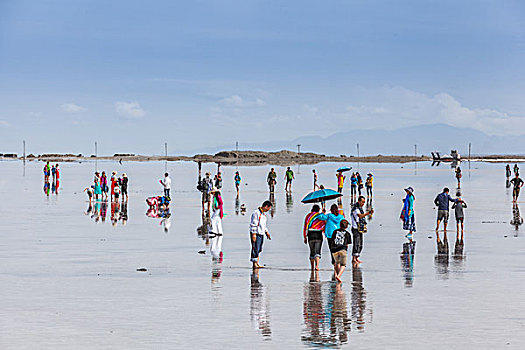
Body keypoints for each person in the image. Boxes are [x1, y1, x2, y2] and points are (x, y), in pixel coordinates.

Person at [351, 196, 374, 265]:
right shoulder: (356, 209)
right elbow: (360, 216)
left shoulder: (360, 208)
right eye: (362, 202)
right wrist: (368, 213)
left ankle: (357, 257)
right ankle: (354, 258)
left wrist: (369, 214)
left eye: (364, 202)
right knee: (356, 243)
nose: (363, 203)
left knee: (360, 244)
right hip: (355, 228)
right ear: (359, 201)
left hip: (360, 228)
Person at [249, 200, 273, 269]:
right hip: (256, 233)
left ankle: (257, 262)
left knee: (259, 248)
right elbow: (254, 224)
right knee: (255, 248)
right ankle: (254, 263)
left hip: (261, 233)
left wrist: (266, 232)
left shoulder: (263, 214)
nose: (268, 210)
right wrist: (253, 234)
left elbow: (263, 225)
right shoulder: (256, 213)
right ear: (266, 206)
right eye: (269, 208)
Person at [303, 204, 326, 271]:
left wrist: (305, 236)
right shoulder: (320, 216)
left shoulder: (308, 216)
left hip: (310, 234)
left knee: (312, 251)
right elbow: (324, 222)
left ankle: (312, 267)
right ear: (318, 209)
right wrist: (323, 213)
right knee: (317, 251)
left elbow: (305, 227)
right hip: (318, 234)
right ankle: (317, 266)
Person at [209, 187, 224, 260]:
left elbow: (221, 203)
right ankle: (219, 232)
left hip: (218, 209)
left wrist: (217, 207)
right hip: (217, 209)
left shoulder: (217, 196)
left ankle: (214, 231)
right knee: (217, 220)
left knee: (213, 219)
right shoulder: (216, 196)